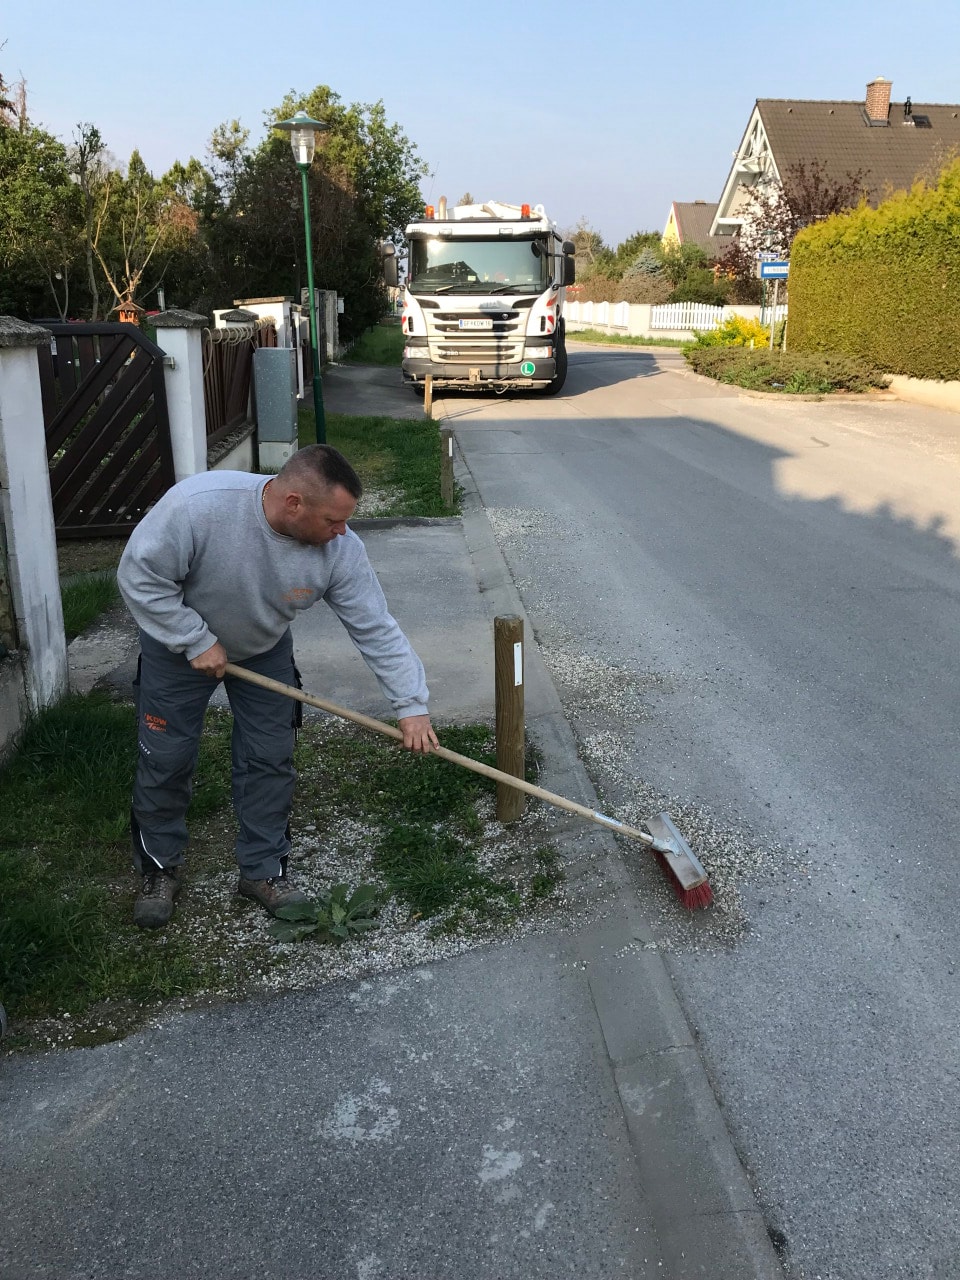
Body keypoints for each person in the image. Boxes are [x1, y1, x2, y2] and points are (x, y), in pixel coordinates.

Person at [117, 444, 439, 929]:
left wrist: (411, 704)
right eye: (333, 520)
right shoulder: (198, 507)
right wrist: (193, 639)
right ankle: (158, 869)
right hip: (175, 649)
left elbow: (376, 627)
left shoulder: (340, 551)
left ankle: (262, 870)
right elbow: (139, 576)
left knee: (269, 757)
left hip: (263, 649)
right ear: (294, 503)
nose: (342, 531)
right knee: (166, 757)